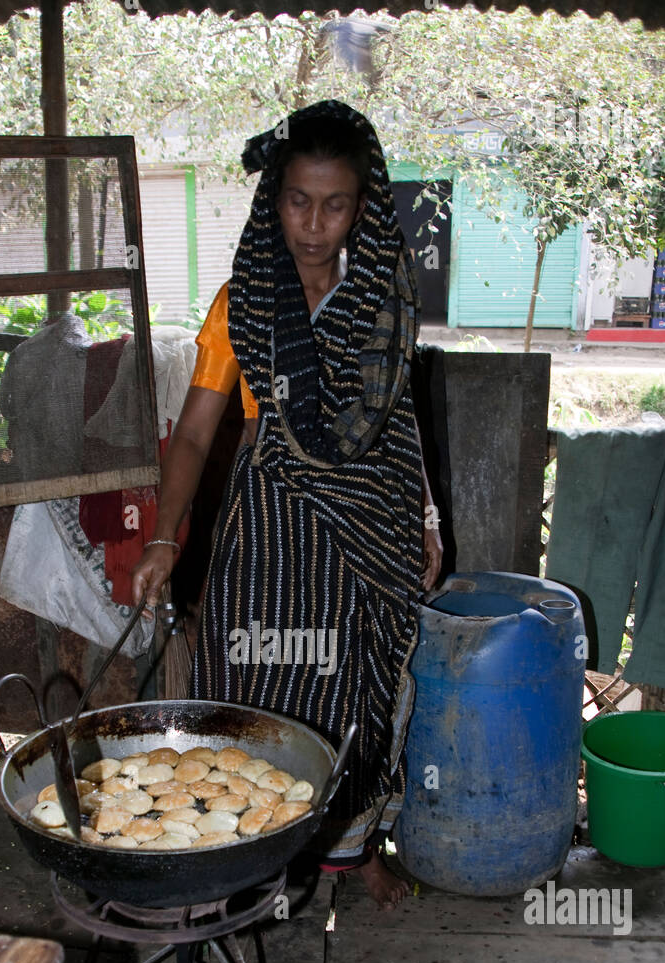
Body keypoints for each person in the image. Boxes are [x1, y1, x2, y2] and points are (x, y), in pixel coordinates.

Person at [131, 100, 442, 908]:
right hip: (268, 526)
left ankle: (351, 845)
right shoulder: (242, 305)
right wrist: (164, 538)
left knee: (358, 691)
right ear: (273, 200)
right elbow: (196, 436)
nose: (314, 222)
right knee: (257, 688)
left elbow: (403, 423)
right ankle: (247, 854)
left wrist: (427, 518)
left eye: (334, 204)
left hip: (368, 524)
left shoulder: (381, 304)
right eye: (298, 201)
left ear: (360, 207)